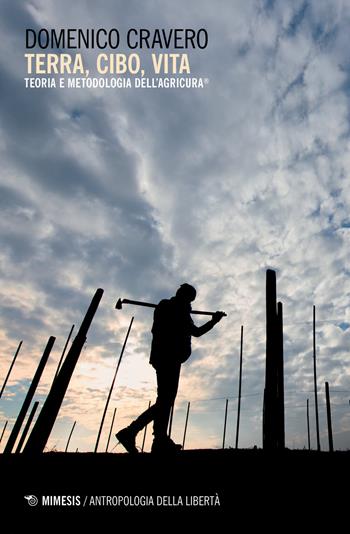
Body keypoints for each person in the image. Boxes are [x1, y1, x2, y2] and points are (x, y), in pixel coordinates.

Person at [116, 283, 225, 453]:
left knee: (165, 400)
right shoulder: (172, 308)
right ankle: (131, 432)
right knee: (165, 400)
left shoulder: (172, 308)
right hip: (168, 357)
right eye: (190, 299)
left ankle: (159, 440)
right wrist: (213, 321)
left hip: (167, 358)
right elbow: (196, 332)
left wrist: (187, 313)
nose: (190, 303)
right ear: (184, 296)